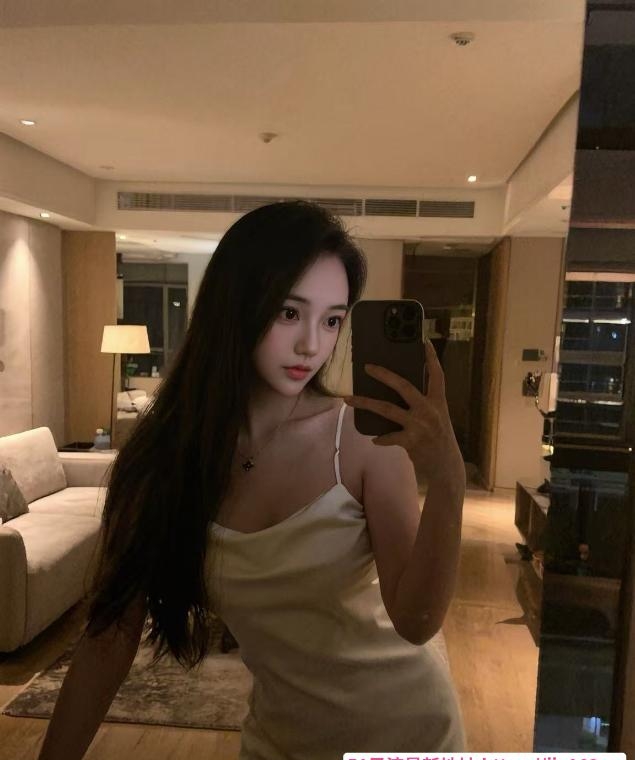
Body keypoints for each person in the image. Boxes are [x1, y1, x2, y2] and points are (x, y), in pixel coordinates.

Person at [37, 201, 467, 760]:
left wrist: (449, 480)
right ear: (235, 305)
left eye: (332, 320)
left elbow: (415, 621)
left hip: (405, 731)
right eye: (289, 313)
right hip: (278, 739)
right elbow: (108, 640)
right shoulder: (165, 460)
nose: (312, 344)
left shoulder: (361, 443)